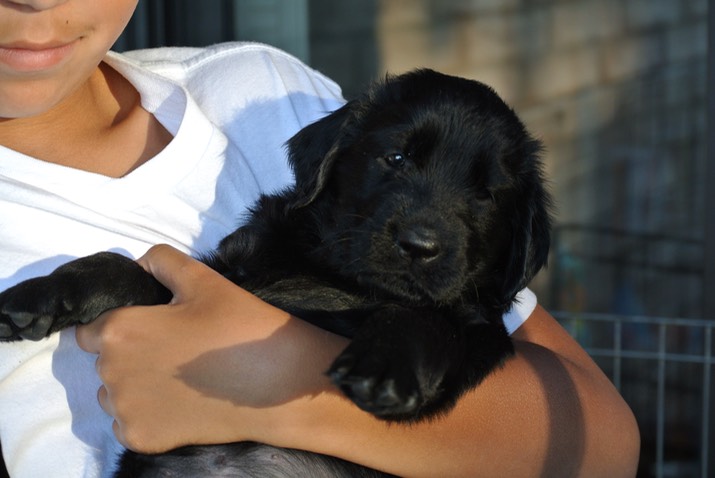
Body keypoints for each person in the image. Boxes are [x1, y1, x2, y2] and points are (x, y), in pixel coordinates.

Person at [0, 0, 640, 476]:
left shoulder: (264, 91)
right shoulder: (289, 218)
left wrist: (285, 384)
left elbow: (600, 443)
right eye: (395, 163)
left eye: (481, 193)